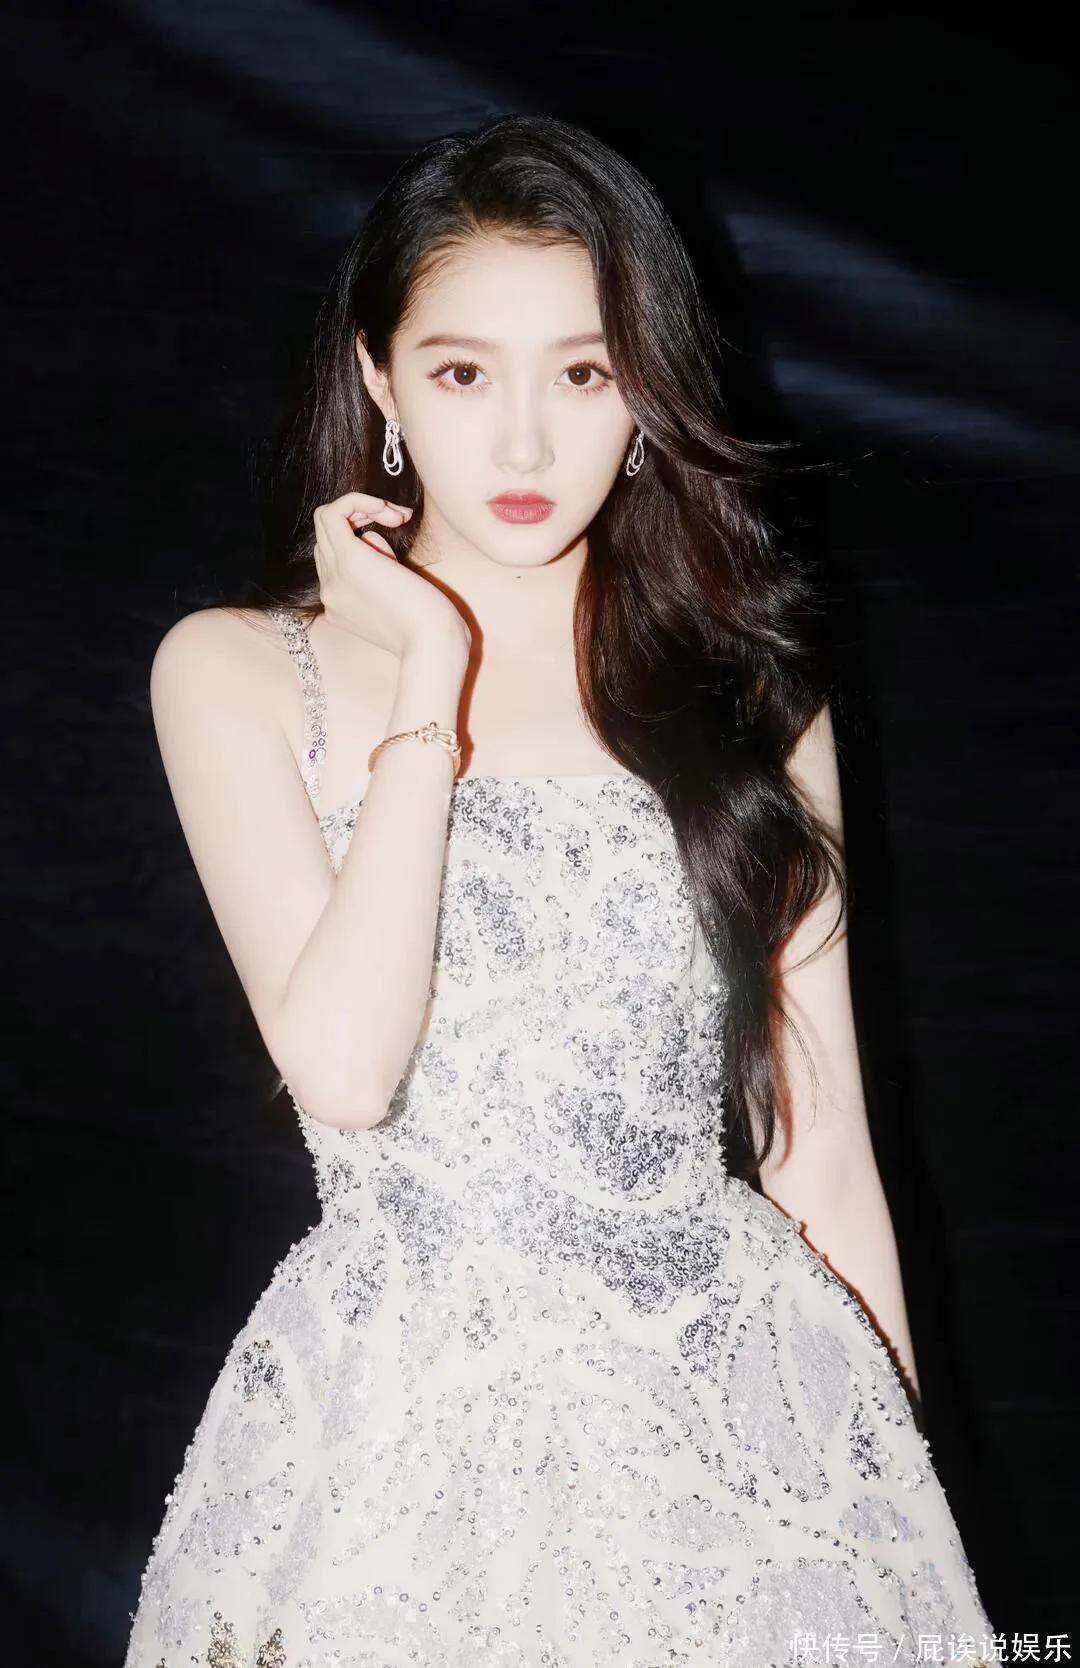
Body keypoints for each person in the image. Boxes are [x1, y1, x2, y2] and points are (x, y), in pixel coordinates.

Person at [124, 114, 995, 1667]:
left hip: (726, 1425)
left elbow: (820, 1145)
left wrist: (891, 1524)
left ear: (648, 392)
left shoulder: (746, 695)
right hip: (399, 1443)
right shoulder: (238, 671)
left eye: (586, 374)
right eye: (465, 373)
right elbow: (345, 1070)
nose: (525, 447)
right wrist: (430, 681)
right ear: (381, 383)